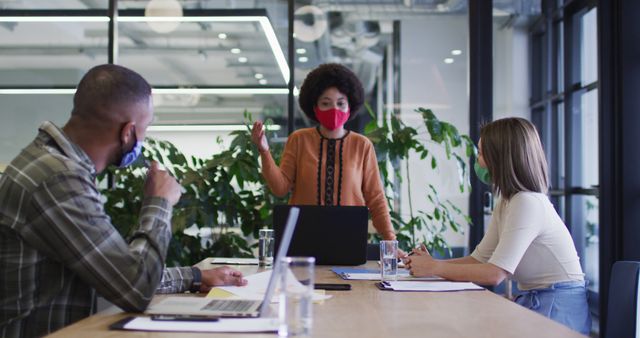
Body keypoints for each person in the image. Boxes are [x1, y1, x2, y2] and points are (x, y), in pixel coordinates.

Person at [0, 64, 247, 338]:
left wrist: (196, 277)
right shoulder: (58, 179)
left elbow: (114, 269)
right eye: (146, 127)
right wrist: (159, 202)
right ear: (128, 132)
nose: (144, 138)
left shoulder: (55, 166)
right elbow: (135, 288)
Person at [404, 117, 591, 335]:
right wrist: (431, 264)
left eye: (481, 154)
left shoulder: (527, 202)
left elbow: (494, 274)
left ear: (499, 159)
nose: (478, 161)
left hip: (557, 308)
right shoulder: (507, 201)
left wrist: (434, 268)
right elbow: (479, 260)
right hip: (537, 301)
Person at [251, 63, 395, 240]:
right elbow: (280, 188)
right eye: (326, 103)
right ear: (315, 107)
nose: (334, 109)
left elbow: (376, 197)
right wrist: (264, 151)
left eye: (341, 103)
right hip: (303, 235)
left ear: (350, 106)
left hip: (348, 237)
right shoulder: (299, 139)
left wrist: (390, 240)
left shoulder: (362, 145)